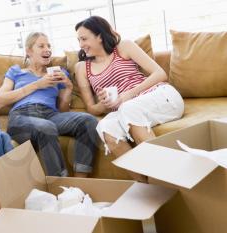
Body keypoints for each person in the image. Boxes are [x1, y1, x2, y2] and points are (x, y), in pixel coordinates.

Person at [74, 16, 184, 182]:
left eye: (84, 39)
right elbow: (91, 108)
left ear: (100, 36)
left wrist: (127, 95)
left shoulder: (124, 47)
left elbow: (160, 74)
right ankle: (147, 186)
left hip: (159, 97)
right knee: (105, 127)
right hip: (126, 110)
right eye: (78, 40)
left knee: (128, 108)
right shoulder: (82, 67)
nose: (81, 44)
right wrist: (105, 104)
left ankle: (166, 178)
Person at [0, 32, 99, 177]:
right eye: (41, 46)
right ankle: (60, 183)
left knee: (89, 121)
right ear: (29, 51)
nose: (47, 49)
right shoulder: (16, 72)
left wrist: (68, 87)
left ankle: (80, 180)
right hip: (21, 116)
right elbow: (0, 100)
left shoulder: (58, 73)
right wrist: (37, 84)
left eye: (49, 46)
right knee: (46, 127)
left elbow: (63, 110)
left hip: (50, 115)